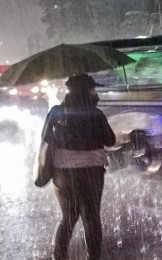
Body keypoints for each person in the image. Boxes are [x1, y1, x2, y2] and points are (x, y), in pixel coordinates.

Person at [41, 74, 115, 260]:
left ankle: (60, 256)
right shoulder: (96, 114)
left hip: (63, 174)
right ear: (87, 91)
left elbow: (45, 138)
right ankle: (93, 257)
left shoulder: (56, 112)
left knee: (68, 218)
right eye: (92, 89)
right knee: (91, 218)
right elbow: (110, 140)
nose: (94, 93)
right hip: (92, 172)